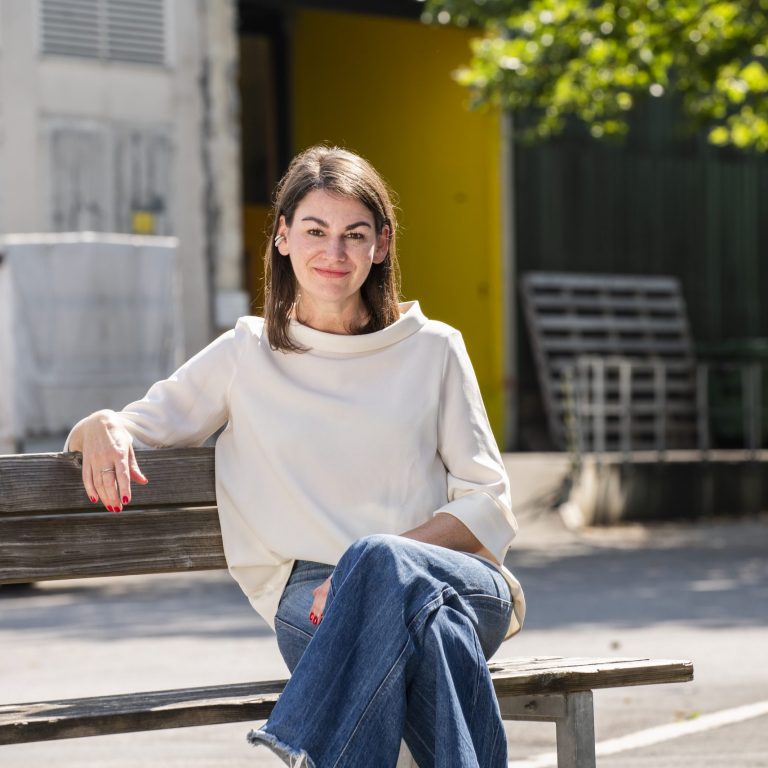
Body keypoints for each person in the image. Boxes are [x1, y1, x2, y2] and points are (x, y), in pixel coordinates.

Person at [65, 145, 525, 767]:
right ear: (282, 237)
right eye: (315, 230)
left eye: (353, 234)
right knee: (431, 638)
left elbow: (488, 502)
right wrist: (97, 423)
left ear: (381, 245)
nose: (333, 253)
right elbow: (138, 424)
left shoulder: (434, 349)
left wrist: (369, 570)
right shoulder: (245, 353)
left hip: (454, 580)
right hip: (311, 595)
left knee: (381, 561)